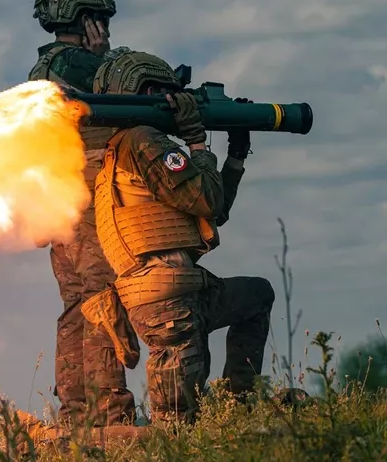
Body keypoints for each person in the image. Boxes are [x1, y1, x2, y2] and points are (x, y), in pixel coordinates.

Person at [90, 50, 275, 423]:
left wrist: (236, 156)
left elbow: (212, 209)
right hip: (167, 301)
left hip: (178, 289)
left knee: (257, 295)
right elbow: (206, 198)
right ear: (151, 92)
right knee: (177, 425)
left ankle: (238, 410)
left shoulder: (117, 153)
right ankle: (225, 416)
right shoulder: (144, 141)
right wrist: (196, 141)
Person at [27, 0, 137, 428]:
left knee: (75, 303)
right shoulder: (80, 65)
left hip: (59, 201)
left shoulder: (43, 67)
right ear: (89, 20)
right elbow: (130, 93)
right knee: (102, 296)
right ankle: (110, 414)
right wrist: (104, 57)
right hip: (90, 199)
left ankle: (75, 415)